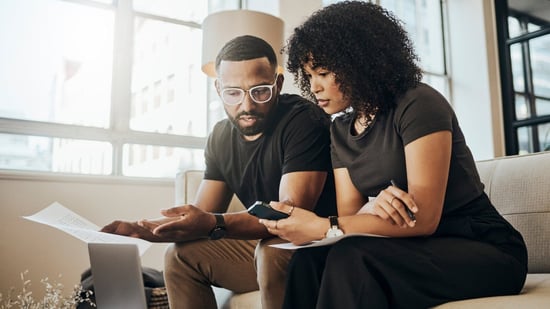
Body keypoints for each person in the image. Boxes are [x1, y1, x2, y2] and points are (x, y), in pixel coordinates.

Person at [259, 2, 528, 308]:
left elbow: (424, 218)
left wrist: (321, 224)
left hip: (483, 246)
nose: (314, 86)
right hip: (414, 246)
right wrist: (373, 205)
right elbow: (351, 218)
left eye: (322, 72)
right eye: (308, 75)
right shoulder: (341, 131)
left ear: (359, 63)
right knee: (308, 261)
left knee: (353, 259)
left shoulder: (418, 102)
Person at [101, 35, 336, 309]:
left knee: (270, 251)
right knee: (179, 255)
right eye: (233, 93)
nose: (246, 106)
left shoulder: (303, 120)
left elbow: (287, 213)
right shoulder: (221, 137)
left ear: (278, 84)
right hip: (264, 247)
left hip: (315, 245)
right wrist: (141, 229)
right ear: (218, 89)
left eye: (260, 91)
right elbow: (200, 214)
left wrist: (213, 223)